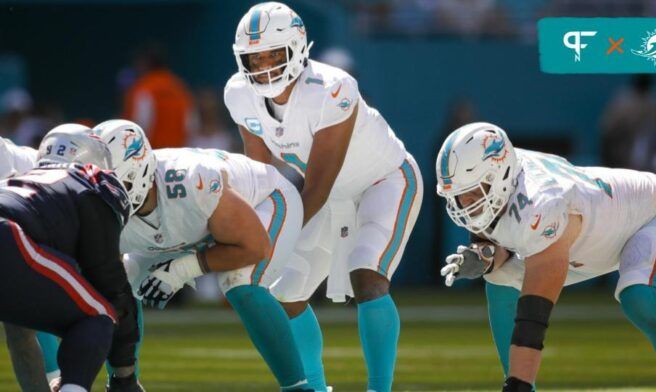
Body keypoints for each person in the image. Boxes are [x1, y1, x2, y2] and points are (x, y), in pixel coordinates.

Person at [225, 3, 423, 391]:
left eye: (272, 54)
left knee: (367, 273)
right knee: (284, 294)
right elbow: (261, 178)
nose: (263, 66)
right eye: (254, 57)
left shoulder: (332, 88)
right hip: (325, 197)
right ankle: (314, 388)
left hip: (384, 180)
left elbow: (318, 184)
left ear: (297, 48)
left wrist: (269, 241)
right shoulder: (239, 94)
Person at [436, 122, 656, 391]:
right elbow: (501, 237)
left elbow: (534, 316)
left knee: (639, 299)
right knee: (500, 278)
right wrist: (485, 256)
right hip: (586, 243)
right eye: (457, 197)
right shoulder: (502, 176)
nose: (464, 205)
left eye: (472, 194)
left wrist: (519, 383)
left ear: (498, 176)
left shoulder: (543, 201)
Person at [93, 119, 311, 391]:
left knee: (239, 283)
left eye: (119, 183)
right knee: (117, 283)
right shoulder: (95, 203)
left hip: (265, 201)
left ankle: (299, 388)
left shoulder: (189, 179)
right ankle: (123, 382)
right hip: (188, 228)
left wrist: (182, 269)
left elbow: (255, 246)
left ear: (140, 170)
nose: (110, 195)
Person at [0, 127, 142, 392]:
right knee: (98, 315)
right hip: (6, 236)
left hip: (11, 241)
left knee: (19, 326)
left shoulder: (24, 179)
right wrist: (125, 377)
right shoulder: (90, 183)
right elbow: (111, 284)